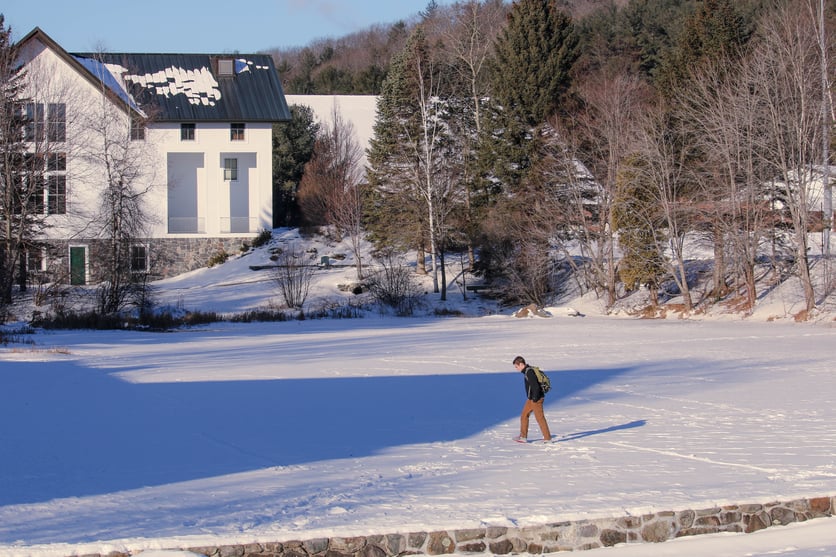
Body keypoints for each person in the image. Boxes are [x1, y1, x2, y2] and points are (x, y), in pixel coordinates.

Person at [513, 355, 552, 443]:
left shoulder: (529, 372)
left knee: (540, 418)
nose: (516, 369)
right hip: (531, 399)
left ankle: (548, 438)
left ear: (521, 364)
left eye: (516, 367)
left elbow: (535, 386)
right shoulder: (527, 371)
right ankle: (523, 437)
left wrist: (535, 399)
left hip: (536, 399)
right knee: (524, 415)